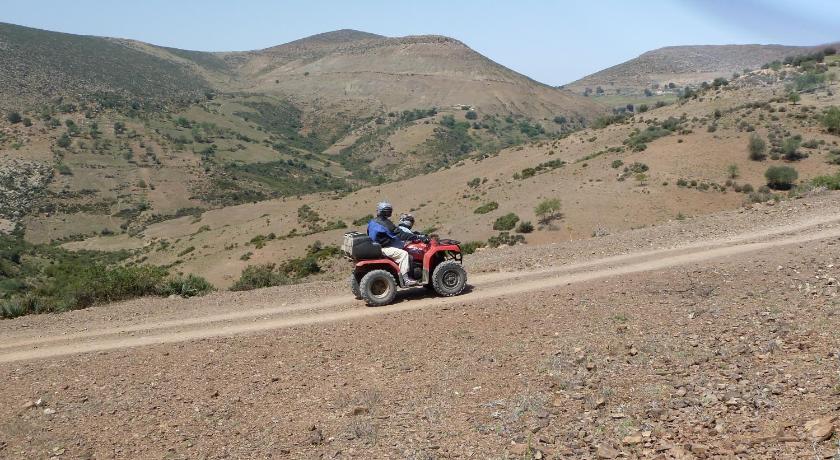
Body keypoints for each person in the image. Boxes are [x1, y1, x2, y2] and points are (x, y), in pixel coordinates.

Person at [367, 202, 422, 286]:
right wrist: (417, 237)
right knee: (404, 254)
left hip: (376, 246)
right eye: (388, 211)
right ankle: (406, 279)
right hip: (383, 248)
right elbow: (400, 234)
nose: (390, 212)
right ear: (385, 211)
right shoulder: (384, 222)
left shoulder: (372, 221)